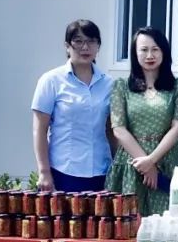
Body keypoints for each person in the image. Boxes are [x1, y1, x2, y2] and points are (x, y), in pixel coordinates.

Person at [105, 27, 178, 216]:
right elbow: (119, 129)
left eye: (155, 49)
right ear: (135, 53)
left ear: (164, 52)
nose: (150, 55)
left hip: (167, 161)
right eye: (143, 49)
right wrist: (146, 165)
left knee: (168, 221)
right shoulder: (121, 86)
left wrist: (151, 161)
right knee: (129, 222)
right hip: (131, 163)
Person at [31, 20, 115, 192]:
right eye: (78, 41)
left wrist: (118, 165)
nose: (85, 47)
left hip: (101, 170)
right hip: (63, 171)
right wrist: (44, 172)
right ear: (67, 46)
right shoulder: (51, 80)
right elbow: (39, 129)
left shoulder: (109, 83)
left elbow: (111, 130)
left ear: (98, 46)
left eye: (91, 41)